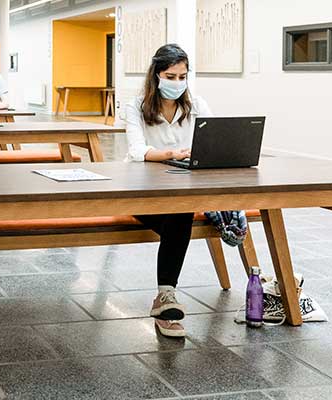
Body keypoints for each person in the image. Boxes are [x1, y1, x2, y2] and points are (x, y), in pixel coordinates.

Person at [125, 43, 213, 338]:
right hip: (141, 191)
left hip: (181, 191)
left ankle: (165, 295)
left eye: (182, 76)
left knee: (180, 211)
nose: (177, 83)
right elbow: (137, 150)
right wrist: (171, 154)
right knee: (180, 214)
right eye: (170, 76)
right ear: (156, 75)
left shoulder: (196, 104)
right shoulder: (135, 106)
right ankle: (165, 297)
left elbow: (214, 136)